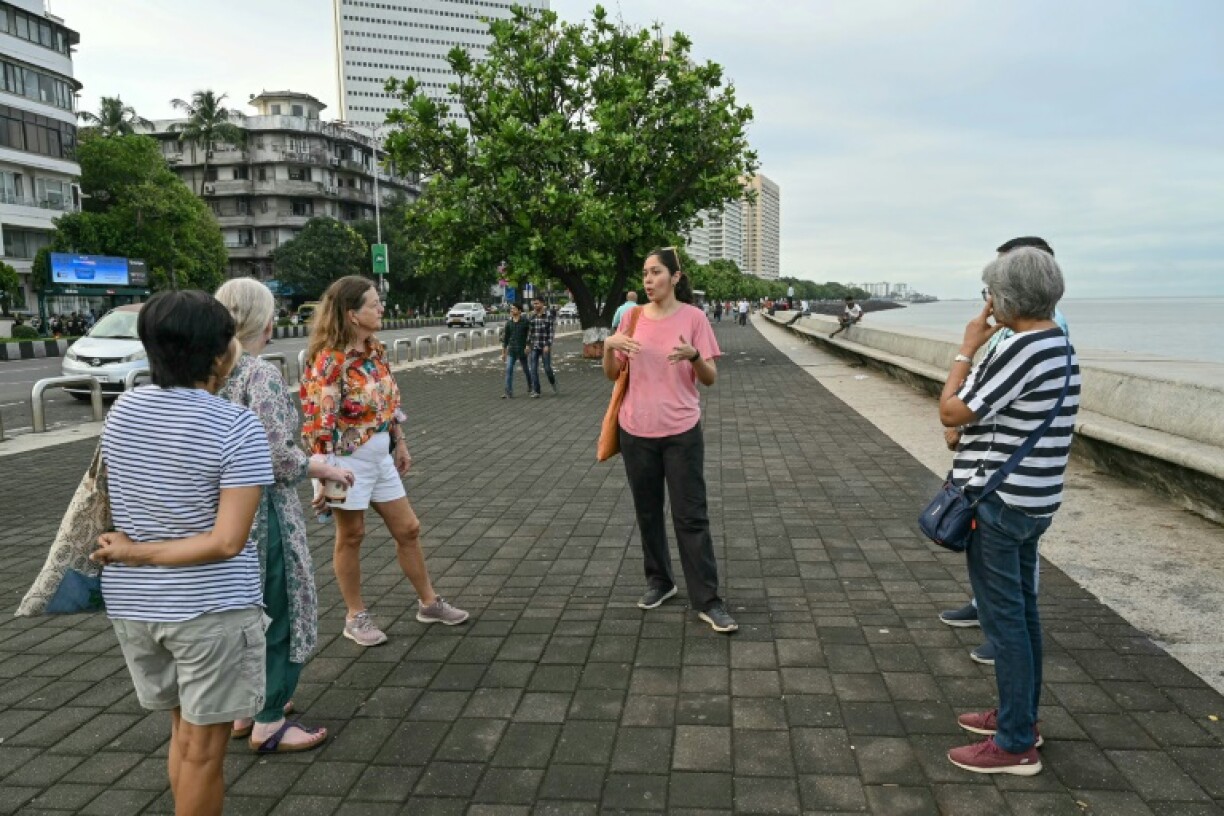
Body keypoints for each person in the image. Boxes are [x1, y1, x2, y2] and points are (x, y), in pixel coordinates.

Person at [90, 290, 274, 815]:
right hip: (208, 610)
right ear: (222, 354)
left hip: (136, 610)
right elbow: (227, 542)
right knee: (203, 753)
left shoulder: (124, 410)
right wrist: (138, 553)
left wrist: (131, 553)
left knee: (183, 735)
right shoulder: (236, 427)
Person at [940, 247, 1080, 776]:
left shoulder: (1023, 348)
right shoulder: (1059, 346)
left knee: (1006, 625)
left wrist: (965, 350)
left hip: (1001, 504)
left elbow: (951, 409)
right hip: (1034, 500)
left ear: (1006, 297)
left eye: (990, 293)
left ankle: (1015, 741)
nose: (988, 303)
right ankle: (1021, 717)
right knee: (1022, 616)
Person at [215, 278, 355, 753]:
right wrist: (316, 464)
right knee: (280, 608)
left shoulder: (206, 373)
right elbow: (277, 457)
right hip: (262, 513)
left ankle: (243, 708)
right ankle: (269, 720)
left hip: (218, 517)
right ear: (264, 322)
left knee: (241, 612)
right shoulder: (260, 374)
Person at [301, 276, 468, 648]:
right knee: (352, 535)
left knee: (408, 529)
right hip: (344, 461)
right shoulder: (330, 360)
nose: (381, 309)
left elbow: (389, 403)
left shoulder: (375, 350)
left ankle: (429, 602)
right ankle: (354, 615)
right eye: (374, 305)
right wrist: (322, 476)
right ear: (352, 314)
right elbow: (319, 421)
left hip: (379, 456)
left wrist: (400, 442)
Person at [603, 247, 737, 634]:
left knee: (690, 516)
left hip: (681, 432)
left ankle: (708, 600)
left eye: (656, 272)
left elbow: (709, 378)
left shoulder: (694, 318)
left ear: (675, 277)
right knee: (648, 513)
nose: (648, 279)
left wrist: (695, 356)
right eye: (644, 273)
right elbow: (613, 375)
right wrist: (610, 348)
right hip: (635, 431)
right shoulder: (631, 318)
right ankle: (660, 582)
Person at [527, 296, 558, 397]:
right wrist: (527, 345)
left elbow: (551, 332)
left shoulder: (549, 316)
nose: (535, 305)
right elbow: (529, 332)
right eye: (534, 304)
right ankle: (537, 391)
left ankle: (553, 383)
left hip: (544, 345)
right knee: (533, 368)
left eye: (537, 303)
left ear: (542, 304)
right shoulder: (531, 316)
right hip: (534, 346)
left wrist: (548, 345)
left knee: (547, 368)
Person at [500, 302, 531, 398]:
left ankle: (531, 385)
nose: (512, 310)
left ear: (519, 311)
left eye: (514, 308)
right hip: (512, 350)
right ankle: (508, 391)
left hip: (522, 350)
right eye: (511, 309)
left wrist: (528, 346)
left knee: (526, 370)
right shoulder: (509, 323)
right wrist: (503, 353)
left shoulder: (525, 321)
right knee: (509, 369)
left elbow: (530, 335)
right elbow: (505, 339)